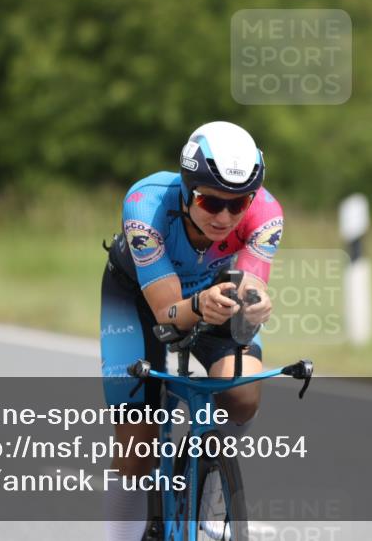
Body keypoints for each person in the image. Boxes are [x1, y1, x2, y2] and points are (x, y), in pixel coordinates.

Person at [100, 121, 284, 541]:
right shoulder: (145, 206)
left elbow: (251, 286)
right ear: (186, 189)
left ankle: (210, 492)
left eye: (237, 205)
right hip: (139, 299)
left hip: (215, 291)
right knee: (137, 446)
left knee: (241, 397)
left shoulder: (267, 214)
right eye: (210, 201)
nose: (224, 216)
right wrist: (200, 305)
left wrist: (255, 306)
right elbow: (167, 312)